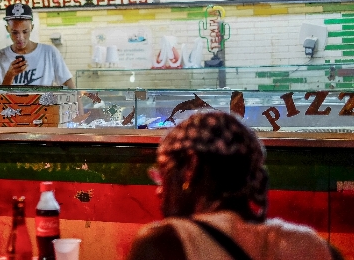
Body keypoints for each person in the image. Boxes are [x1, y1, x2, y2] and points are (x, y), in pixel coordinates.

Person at [127, 110, 343, 260]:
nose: (159, 190)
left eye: (163, 175)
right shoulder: (318, 247)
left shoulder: (164, 245)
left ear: (191, 166)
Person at [0, 3, 75, 88]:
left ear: (32, 27)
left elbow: (68, 83)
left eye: (25, 31)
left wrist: (78, 104)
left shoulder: (49, 53)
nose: (20, 37)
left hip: (43, 105)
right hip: (10, 105)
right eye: (14, 32)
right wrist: (9, 76)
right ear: (7, 29)